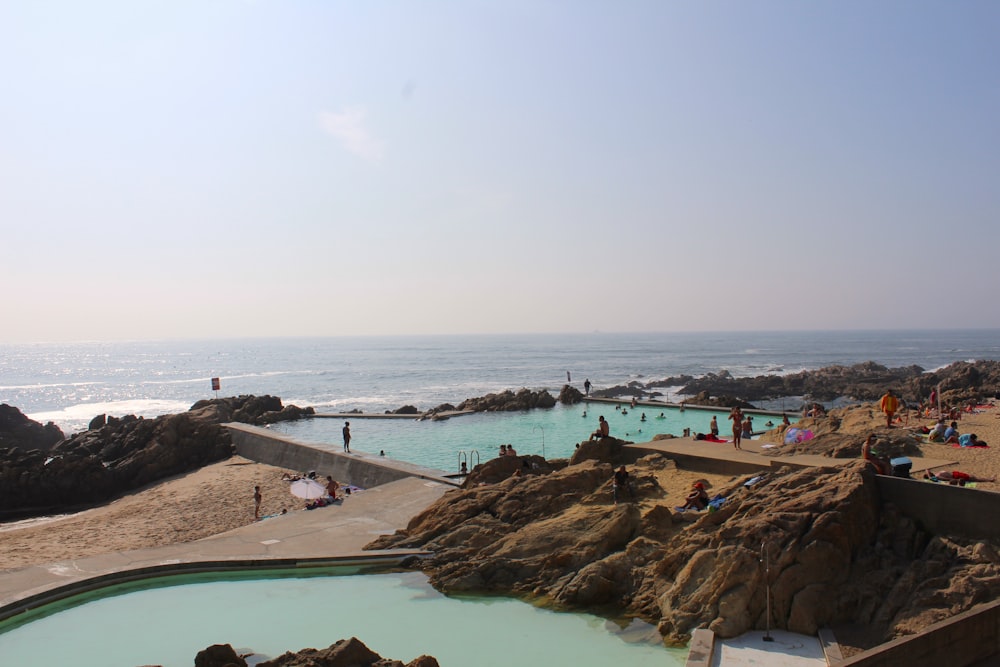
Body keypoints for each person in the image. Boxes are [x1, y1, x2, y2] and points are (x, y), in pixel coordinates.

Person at [924, 469, 996, 485]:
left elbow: (926, 470)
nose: (930, 472)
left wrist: (928, 474)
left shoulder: (936, 474)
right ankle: (989, 479)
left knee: (973, 477)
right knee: (974, 478)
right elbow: (949, 479)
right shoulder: (938, 477)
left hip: (955, 473)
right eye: (930, 473)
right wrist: (957, 480)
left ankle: (989, 479)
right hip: (955, 476)